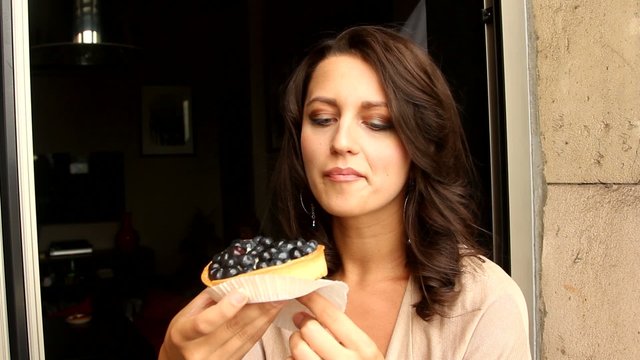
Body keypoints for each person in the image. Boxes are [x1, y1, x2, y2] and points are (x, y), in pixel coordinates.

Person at [159, 25, 531, 359]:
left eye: (377, 123)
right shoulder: (262, 296)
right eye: (322, 119)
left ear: (421, 144)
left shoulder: (484, 303)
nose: (341, 142)